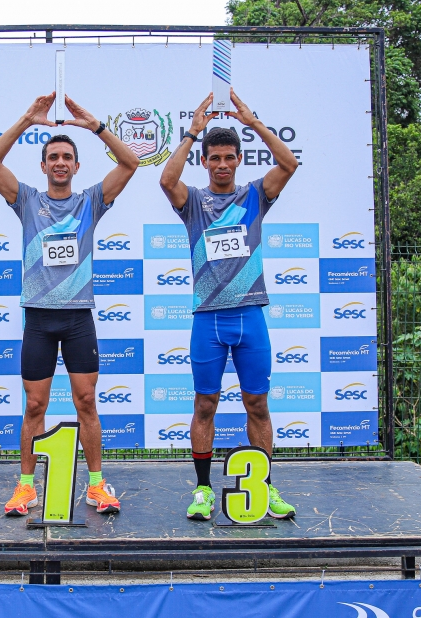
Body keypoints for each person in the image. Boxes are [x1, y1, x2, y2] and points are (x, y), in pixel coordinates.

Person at [0, 93, 140, 517]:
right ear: (43, 165)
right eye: (53, 157)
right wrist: (27, 119)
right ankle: (25, 487)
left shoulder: (90, 202)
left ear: (76, 166)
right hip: (38, 319)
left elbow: (130, 164)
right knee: (35, 406)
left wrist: (95, 126)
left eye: (67, 157)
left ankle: (96, 485)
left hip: (78, 319)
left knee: (86, 402)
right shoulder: (28, 201)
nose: (60, 162)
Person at [158, 90, 300, 522]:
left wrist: (253, 122)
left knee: (258, 405)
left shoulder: (254, 195)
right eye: (214, 158)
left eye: (228, 157)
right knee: (205, 405)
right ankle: (203, 489)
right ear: (204, 161)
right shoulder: (194, 203)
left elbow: (289, 165)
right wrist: (191, 132)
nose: (221, 164)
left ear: (239, 159)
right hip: (209, 320)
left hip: (250, 315)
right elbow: (166, 181)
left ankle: (265, 487)